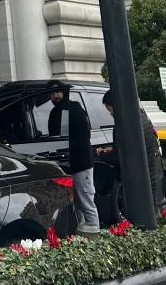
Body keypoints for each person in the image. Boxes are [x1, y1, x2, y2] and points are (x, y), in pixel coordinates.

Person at [47, 81, 100, 234]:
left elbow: (85, 134)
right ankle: (83, 236)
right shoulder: (54, 114)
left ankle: (95, 237)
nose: (56, 95)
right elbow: (53, 138)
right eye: (52, 93)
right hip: (66, 164)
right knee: (76, 204)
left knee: (86, 201)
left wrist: (68, 147)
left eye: (58, 91)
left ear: (63, 92)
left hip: (81, 163)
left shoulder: (75, 108)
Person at [98, 88, 162, 208]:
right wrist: (115, 148)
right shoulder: (141, 116)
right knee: (150, 211)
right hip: (149, 175)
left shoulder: (124, 124)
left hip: (136, 179)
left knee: (138, 215)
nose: (111, 114)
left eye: (110, 110)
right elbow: (133, 145)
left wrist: (102, 154)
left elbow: (119, 156)